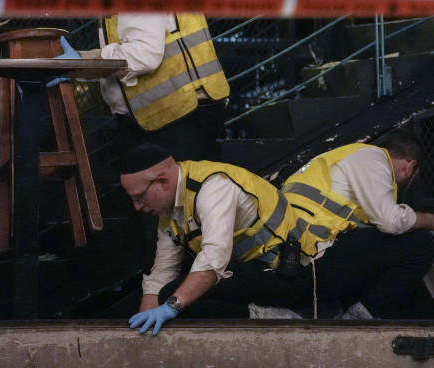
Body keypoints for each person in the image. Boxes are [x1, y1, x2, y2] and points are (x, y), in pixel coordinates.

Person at [59, 0, 230, 160]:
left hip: (176, 119)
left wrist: (83, 63)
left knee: (170, 198)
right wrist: (84, 62)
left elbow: (144, 54)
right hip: (183, 113)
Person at [120, 143, 324, 335]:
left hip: (287, 274)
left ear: (163, 182)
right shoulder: (169, 212)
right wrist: (143, 327)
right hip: (248, 271)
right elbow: (163, 271)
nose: (137, 207)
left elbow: (213, 260)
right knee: (162, 296)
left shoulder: (213, 187)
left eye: (139, 198)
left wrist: (169, 307)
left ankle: (275, 317)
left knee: (176, 296)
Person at [280, 129, 434, 318]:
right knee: (422, 244)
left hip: (295, 256)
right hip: (311, 260)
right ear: (410, 166)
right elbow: (390, 221)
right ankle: (362, 317)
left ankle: (334, 309)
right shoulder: (373, 158)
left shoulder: (345, 158)